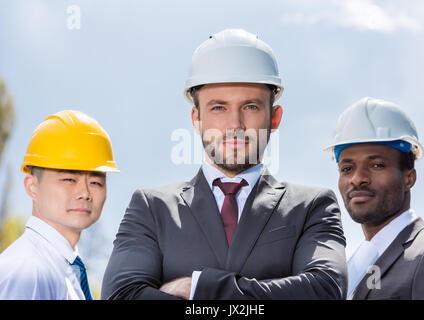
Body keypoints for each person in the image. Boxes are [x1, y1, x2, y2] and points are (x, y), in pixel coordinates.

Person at [101, 29, 347, 300]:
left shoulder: (311, 206)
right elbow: (122, 296)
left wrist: (196, 288)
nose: (235, 125)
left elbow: (324, 291)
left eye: (251, 107)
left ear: (274, 117)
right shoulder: (152, 208)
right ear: (196, 118)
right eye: (219, 108)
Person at [325, 97, 424, 299]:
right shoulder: (351, 268)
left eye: (377, 165)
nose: (357, 179)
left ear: (409, 178)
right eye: (347, 169)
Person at [0, 110, 119, 300]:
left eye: (96, 182)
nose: (85, 193)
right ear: (32, 187)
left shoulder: (64, 268)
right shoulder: (26, 271)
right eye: (69, 179)